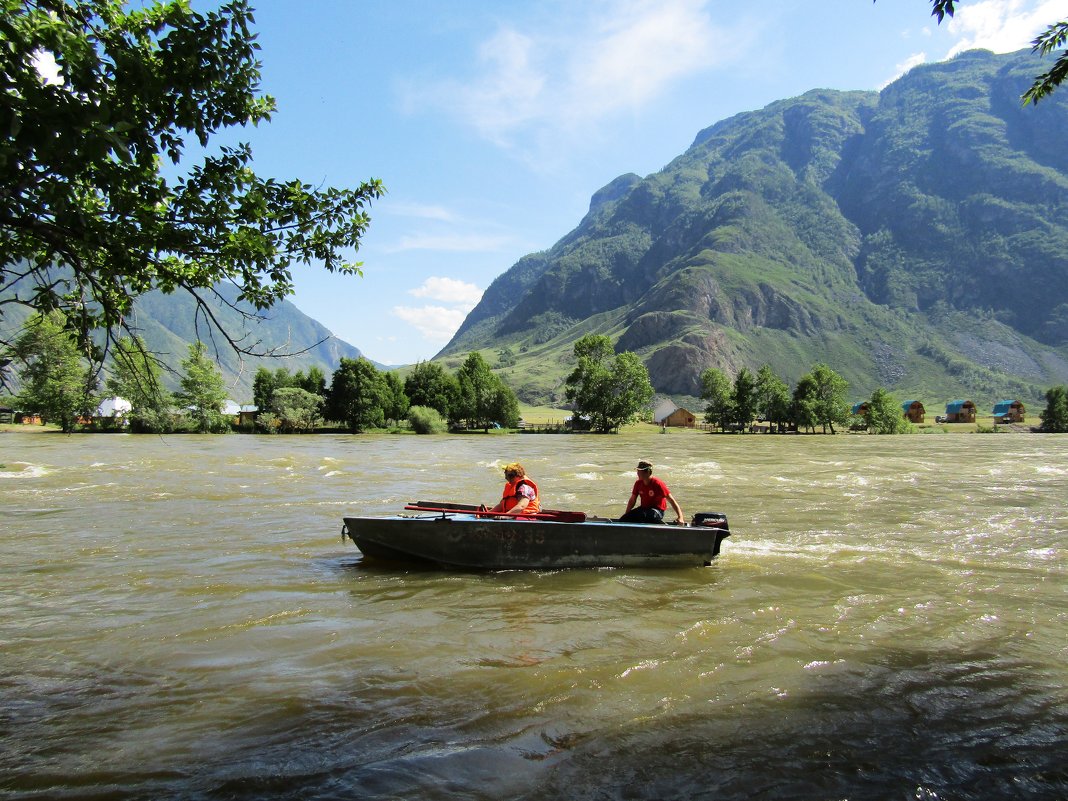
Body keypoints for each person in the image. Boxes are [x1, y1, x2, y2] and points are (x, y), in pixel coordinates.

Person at [620, 460, 685, 525]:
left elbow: (671, 500)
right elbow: (632, 500)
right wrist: (626, 515)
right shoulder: (638, 483)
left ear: (647, 472)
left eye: (640, 471)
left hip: (657, 511)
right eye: (637, 471)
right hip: (643, 510)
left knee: (647, 515)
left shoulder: (658, 484)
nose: (637, 473)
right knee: (625, 518)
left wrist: (680, 517)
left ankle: (663, 526)